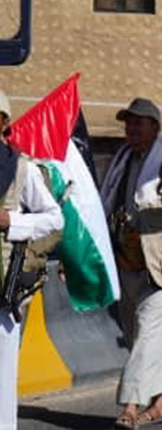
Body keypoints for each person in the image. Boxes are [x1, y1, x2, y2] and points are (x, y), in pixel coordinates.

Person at [100, 98, 162, 426]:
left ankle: (129, 406)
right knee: (135, 336)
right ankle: (160, 404)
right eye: (128, 123)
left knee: (146, 339)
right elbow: (108, 204)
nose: (131, 129)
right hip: (127, 261)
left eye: (138, 123)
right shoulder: (121, 161)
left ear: (155, 127)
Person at [0, 90, 64, 430]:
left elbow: (54, 219)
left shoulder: (22, 168)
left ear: (3, 122)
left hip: (4, 283)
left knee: (2, 376)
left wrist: (13, 222)